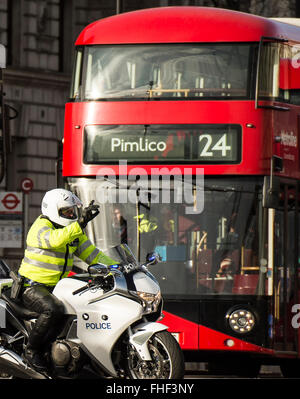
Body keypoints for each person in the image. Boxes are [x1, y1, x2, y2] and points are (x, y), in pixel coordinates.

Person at [17, 188, 115, 371]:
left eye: (72, 211)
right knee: (52, 309)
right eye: (66, 211)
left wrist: (117, 267)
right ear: (53, 210)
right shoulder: (40, 227)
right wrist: (80, 222)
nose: (71, 214)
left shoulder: (71, 232)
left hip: (56, 287)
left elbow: (93, 254)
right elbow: (55, 240)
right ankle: (31, 351)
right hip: (32, 286)